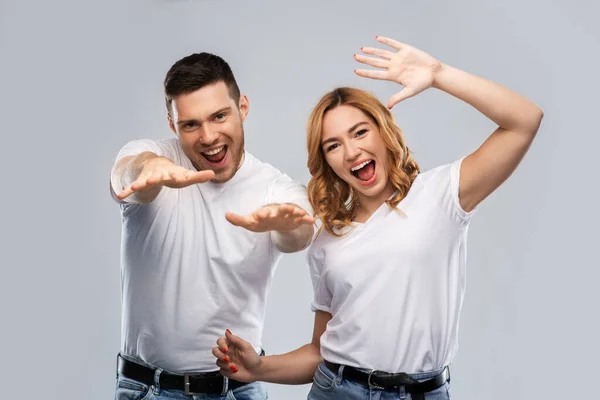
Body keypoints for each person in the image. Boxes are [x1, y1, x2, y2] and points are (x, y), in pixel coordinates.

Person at [211, 36, 544, 400]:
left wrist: (438, 73)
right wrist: (261, 368)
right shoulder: (326, 240)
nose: (351, 151)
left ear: (383, 133)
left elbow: (524, 121)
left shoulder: (441, 195)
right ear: (327, 162)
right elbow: (320, 352)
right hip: (336, 390)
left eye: (360, 132)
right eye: (333, 145)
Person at [109, 52, 315, 400]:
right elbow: (126, 174)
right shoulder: (152, 155)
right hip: (148, 388)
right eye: (190, 124)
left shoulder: (275, 187)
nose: (207, 136)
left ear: (243, 108)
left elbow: (299, 234)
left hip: (237, 390)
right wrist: (149, 170)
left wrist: (283, 225)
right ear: (173, 125)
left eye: (219, 116)